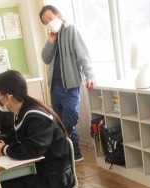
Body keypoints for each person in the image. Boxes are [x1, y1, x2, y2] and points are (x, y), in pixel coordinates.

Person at [0, 70, 74, 188]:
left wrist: (3, 149)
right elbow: (16, 135)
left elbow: (33, 149)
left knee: (3, 187)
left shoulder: (36, 115)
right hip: (40, 168)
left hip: (54, 174)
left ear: (7, 97)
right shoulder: (23, 111)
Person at [40, 4, 95, 162]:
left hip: (70, 86)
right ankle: (70, 153)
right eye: (45, 22)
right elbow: (45, 58)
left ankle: (73, 152)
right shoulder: (53, 36)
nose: (49, 23)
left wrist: (90, 75)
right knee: (60, 123)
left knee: (68, 121)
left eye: (50, 18)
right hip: (55, 87)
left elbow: (83, 55)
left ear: (59, 15)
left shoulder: (71, 29)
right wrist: (50, 41)